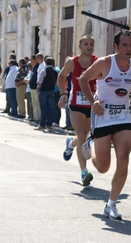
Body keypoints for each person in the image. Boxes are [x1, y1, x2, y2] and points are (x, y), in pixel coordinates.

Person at [78, 30, 131, 220]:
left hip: (123, 118)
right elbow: (83, 80)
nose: (129, 49)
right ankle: (90, 144)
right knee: (103, 167)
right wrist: (92, 102)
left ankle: (111, 204)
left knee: (124, 159)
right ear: (116, 46)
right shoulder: (105, 63)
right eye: (124, 45)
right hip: (102, 116)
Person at [57, 35, 97, 186]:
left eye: (91, 44)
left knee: (84, 137)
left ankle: (70, 144)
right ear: (80, 46)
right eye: (86, 44)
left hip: (93, 104)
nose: (89, 46)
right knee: (81, 134)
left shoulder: (98, 62)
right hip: (76, 104)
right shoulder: (72, 62)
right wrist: (63, 93)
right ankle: (84, 172)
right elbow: (61, 76)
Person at [37, 57, 58, 129]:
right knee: (50, 108)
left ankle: (42, 124)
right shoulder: (55, 72)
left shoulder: (43, 71)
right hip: (51, 91)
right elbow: (57, 83)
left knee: (43, 108)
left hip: (43, 91)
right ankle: (49, 125)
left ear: (45, 63)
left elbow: (39, 82)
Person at [29, 55, 41, 125]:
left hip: (36, 88)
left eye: (31, 60)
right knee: (34, 103)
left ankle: (38, 118)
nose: (30, 62)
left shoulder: (38, 67)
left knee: (37, 103)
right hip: (32, 87)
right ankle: (35, 117)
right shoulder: (34, 68)